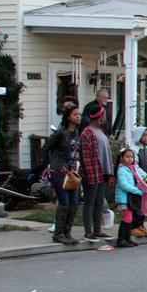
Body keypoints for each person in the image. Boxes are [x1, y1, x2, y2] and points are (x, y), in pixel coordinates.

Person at [45, 105, 82, 244]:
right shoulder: (61, 133)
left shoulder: (76, 133)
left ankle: (67, 232)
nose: (78, 116)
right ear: (68, 117)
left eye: (79, 114)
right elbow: (46, 147)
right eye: (75, 114)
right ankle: (58, 233)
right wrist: (49, 165)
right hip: (59, 172)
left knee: (74, 203)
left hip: (72, 173)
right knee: (64, 203)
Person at [79, 103, 113, 242]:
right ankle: (88, 231)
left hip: (102, 172)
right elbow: (86, 157)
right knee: (90, 202)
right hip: (92, 173)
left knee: (99, 202)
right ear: (99, 117)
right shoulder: (87, 133)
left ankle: (98, 230)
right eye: (103, 115)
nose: (105, 118)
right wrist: (89, 174)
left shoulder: (101, 132)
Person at [114, 148, 147, 248]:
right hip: (124, 198)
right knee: (127, 218)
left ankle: (127, 238)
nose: (130, 159)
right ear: (122, 158)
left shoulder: (133, 169)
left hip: (132, 198)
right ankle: (121, 240)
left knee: (130, 218)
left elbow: (140, 180)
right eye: (127, 157)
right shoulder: (121, 169)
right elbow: (123, 184)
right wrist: (138, 191)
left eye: (132, 157)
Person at [130, 126, 147, 238]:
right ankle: (134, 226)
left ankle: (141, 224)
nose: (146, 137)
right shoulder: (134, 150)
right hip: (137, 182)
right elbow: (135, 167)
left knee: (144, 205)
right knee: (136, 204)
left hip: (146, 184)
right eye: (144, 135)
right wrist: (146, 177)